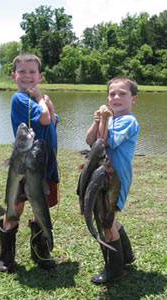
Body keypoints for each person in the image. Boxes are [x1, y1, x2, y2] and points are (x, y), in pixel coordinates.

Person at [0, 53, 59, 272]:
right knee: (16, 208)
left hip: (45, 164)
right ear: (14, 76)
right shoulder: (20, 98)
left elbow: (52, 120)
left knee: (40, 208)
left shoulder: (38, 99)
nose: (27, 76)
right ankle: (5, 254)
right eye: (22, 72)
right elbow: (43, 117)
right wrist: (42, 99)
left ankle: (40, 251)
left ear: (39, 75)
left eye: (32, 72)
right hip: (25, 165)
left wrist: (46, 104)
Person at [86, 76, 139, 284]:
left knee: (105, 221)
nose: (116, 97)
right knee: (107, 215)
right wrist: (97, 120)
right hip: (103, 176)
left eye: (122, 94)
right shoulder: (112, 119)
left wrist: (105, 121)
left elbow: (108, 142)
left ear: (133, 99)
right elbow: (91, 141)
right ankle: (126, 256)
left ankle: (115, 271)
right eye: (112, 94)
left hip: (115, 180)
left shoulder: (128, 121)